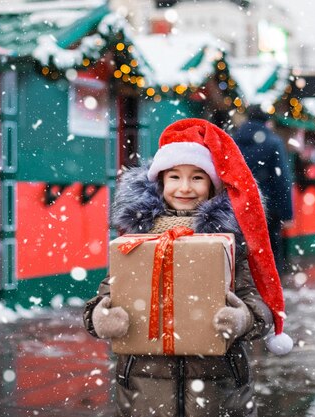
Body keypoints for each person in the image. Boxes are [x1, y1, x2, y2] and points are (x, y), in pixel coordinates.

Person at [83, 118, 293, 417]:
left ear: (212, 185)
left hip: (218, 386)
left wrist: (242, 319)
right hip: (145, 389)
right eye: (174, 177)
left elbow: (260, 308)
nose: (184, 188)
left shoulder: (230, 242)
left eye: (197, 178)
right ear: (160, 182)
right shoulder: (137, 239)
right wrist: (100, 317)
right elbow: (106, 296)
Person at [233, 104, 293, 273]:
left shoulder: (234, 140)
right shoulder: (273, 142)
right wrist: (287, 213)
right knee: (271, 249)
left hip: (241, 205)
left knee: (246, 250)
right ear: (267, 120)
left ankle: (248, 288)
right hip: (269, 207)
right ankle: (272, 289)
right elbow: (282, 180)